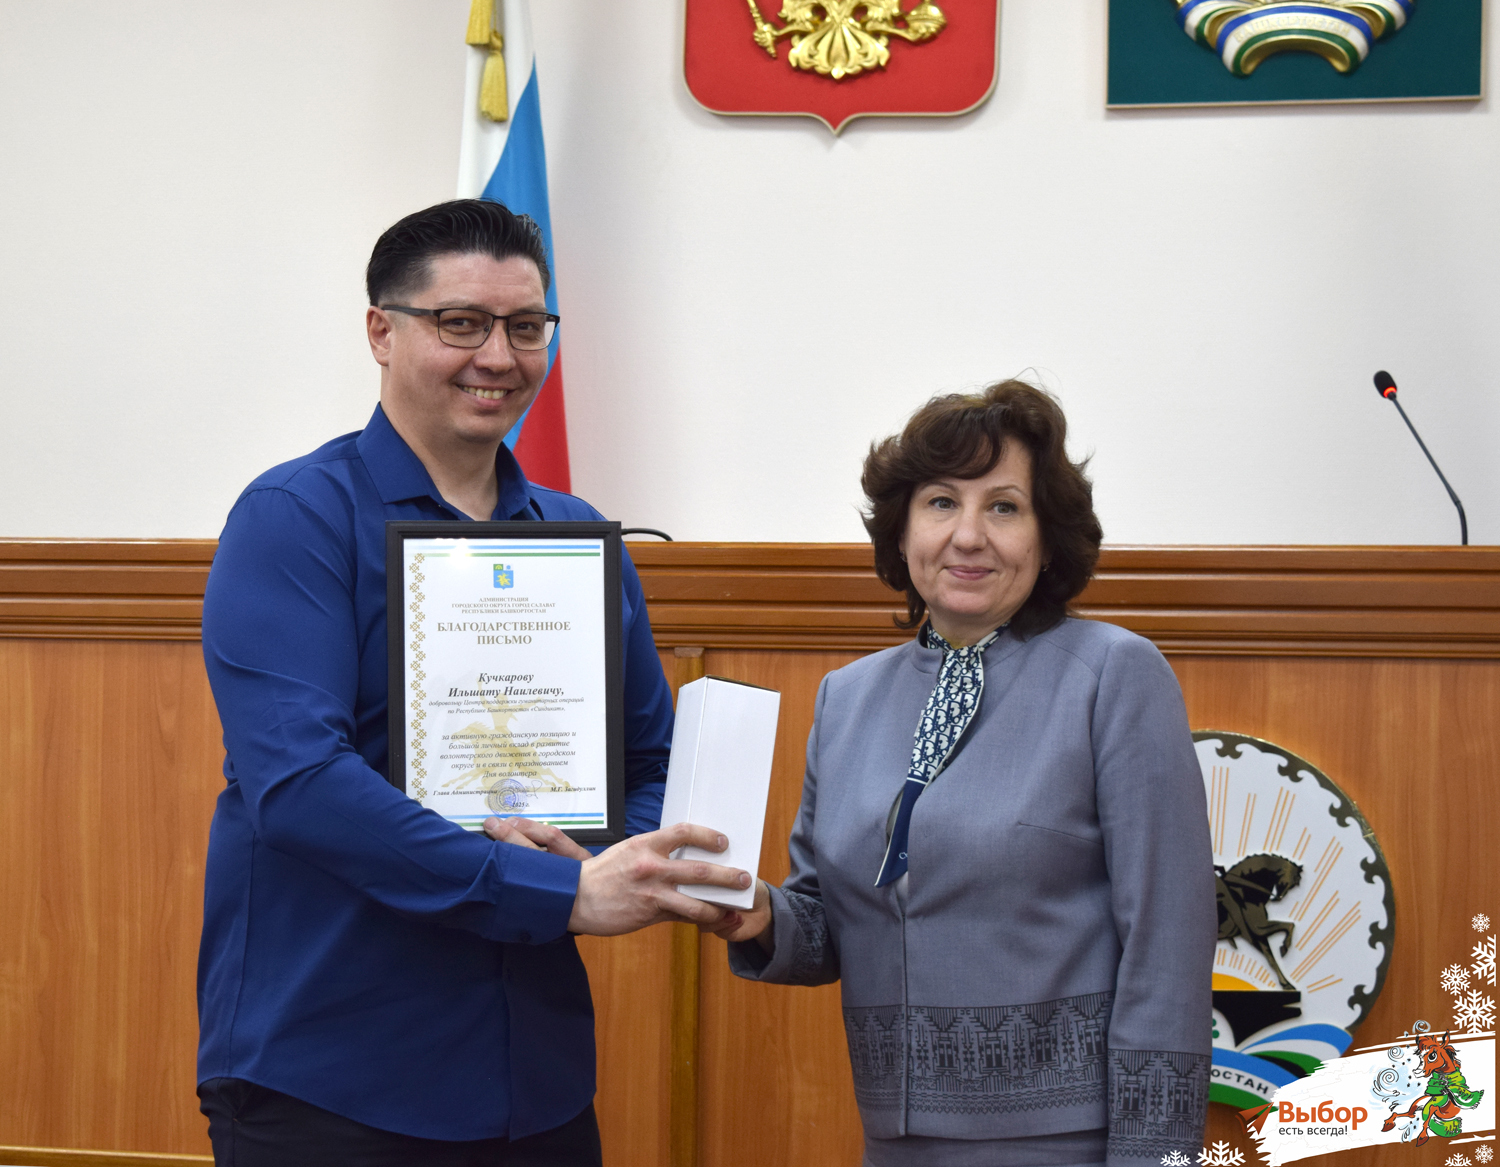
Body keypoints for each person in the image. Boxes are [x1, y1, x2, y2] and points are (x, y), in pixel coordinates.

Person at [197, 199, 748, 1167]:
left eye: (526, 327)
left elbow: (648, 757)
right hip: (334, 1069)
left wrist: (599, 850)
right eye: (462, 323)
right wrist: (554, 894)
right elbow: (299, 785)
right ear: (382, 329)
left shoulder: (577, 536)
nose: (499, 355)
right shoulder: (295, 518)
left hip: (531, 1076)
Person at [709, 381, 1216, 1167]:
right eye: (942, 502)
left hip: (1067, 1143)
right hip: (894, 1140)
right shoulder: (847, 698)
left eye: (1004, 506)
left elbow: (1168, 946)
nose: (969, 535)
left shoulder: (1115, 675)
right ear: (904, 530)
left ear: (1047, 537)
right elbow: (826, 923)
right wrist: (754, 913)